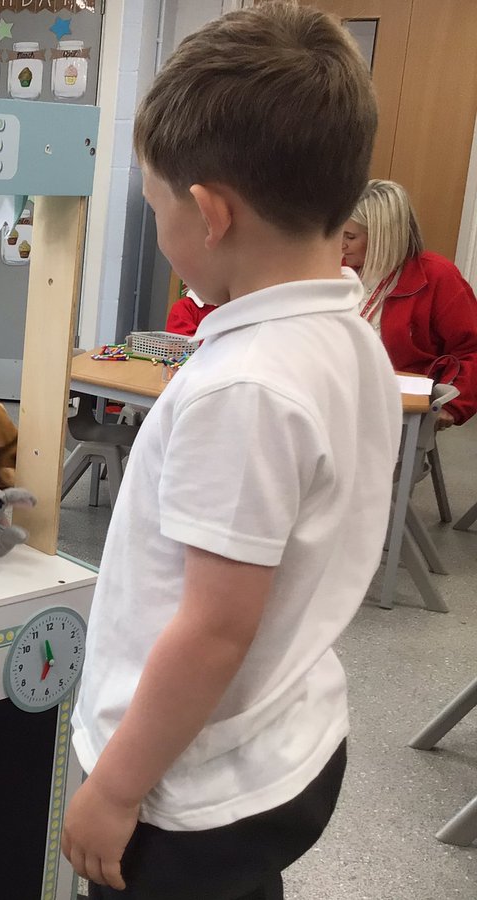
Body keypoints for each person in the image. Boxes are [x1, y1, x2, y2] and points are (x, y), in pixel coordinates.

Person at [63, 6, 401, 900]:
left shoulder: (245, 388)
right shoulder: (348, 327)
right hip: (286, 740)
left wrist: (117, 788)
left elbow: (215, 626)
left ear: (208, 213)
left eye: (154, 205)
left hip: (187, 793)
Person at [343, 179, 477, 428]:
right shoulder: (339, 270)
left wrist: (451, 406)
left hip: (395, 411)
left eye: (350, 236)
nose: (341, 244)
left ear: (382, 236)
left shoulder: (438, 277)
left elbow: (472, 350)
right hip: (336, 393)